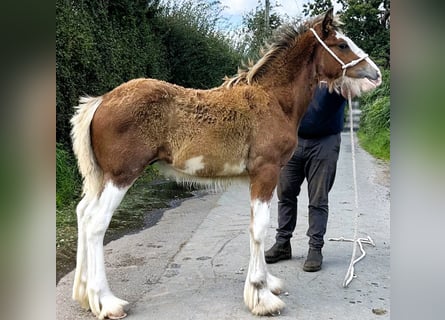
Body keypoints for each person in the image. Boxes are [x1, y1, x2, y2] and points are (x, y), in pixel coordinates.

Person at [265, 82, 346, 272]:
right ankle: (283, 243)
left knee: (318, 198)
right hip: (293, 138)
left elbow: (363, 80)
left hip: (325, 141)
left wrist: (351, 86)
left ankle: (315, 248)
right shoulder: (298, 68)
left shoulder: (337, 65)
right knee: (285, 192)